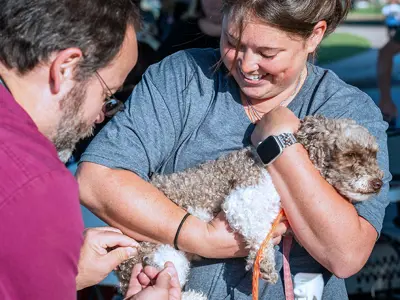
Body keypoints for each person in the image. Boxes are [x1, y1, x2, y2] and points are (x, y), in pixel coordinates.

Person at [77, 0, 391, 299]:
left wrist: (281, 144)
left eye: (267, 53)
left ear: (314, 36)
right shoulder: (181, 79)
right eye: (233, 41)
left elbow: (346, 255)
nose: (246, 64)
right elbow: (97, 179)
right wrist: (201, 238)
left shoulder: (346, 109)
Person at [0, 0, 179, 299]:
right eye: (107, 94)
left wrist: (57, 275)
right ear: (66, 67)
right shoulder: (39, 184)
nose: (99, 116)